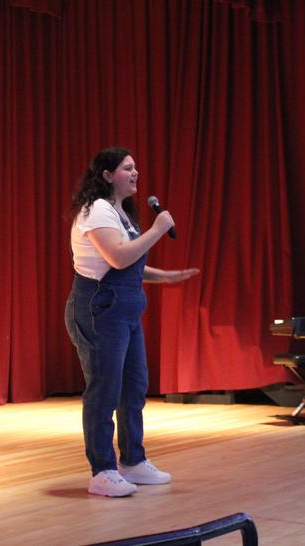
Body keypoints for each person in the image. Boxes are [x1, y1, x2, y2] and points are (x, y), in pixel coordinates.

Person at [64, 147, 200, 497]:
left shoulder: (120, 213)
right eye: (127, 168)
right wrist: (158, 228)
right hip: (100, 309)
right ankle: (102, 471)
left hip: (125, 309)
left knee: (134, 387)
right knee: (104, 390)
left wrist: (165, 276)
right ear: (108, 175)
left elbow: (129, 261)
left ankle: (133, 461)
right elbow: (118, 257)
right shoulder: (97, 209)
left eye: (136, 167)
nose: (135, 172)